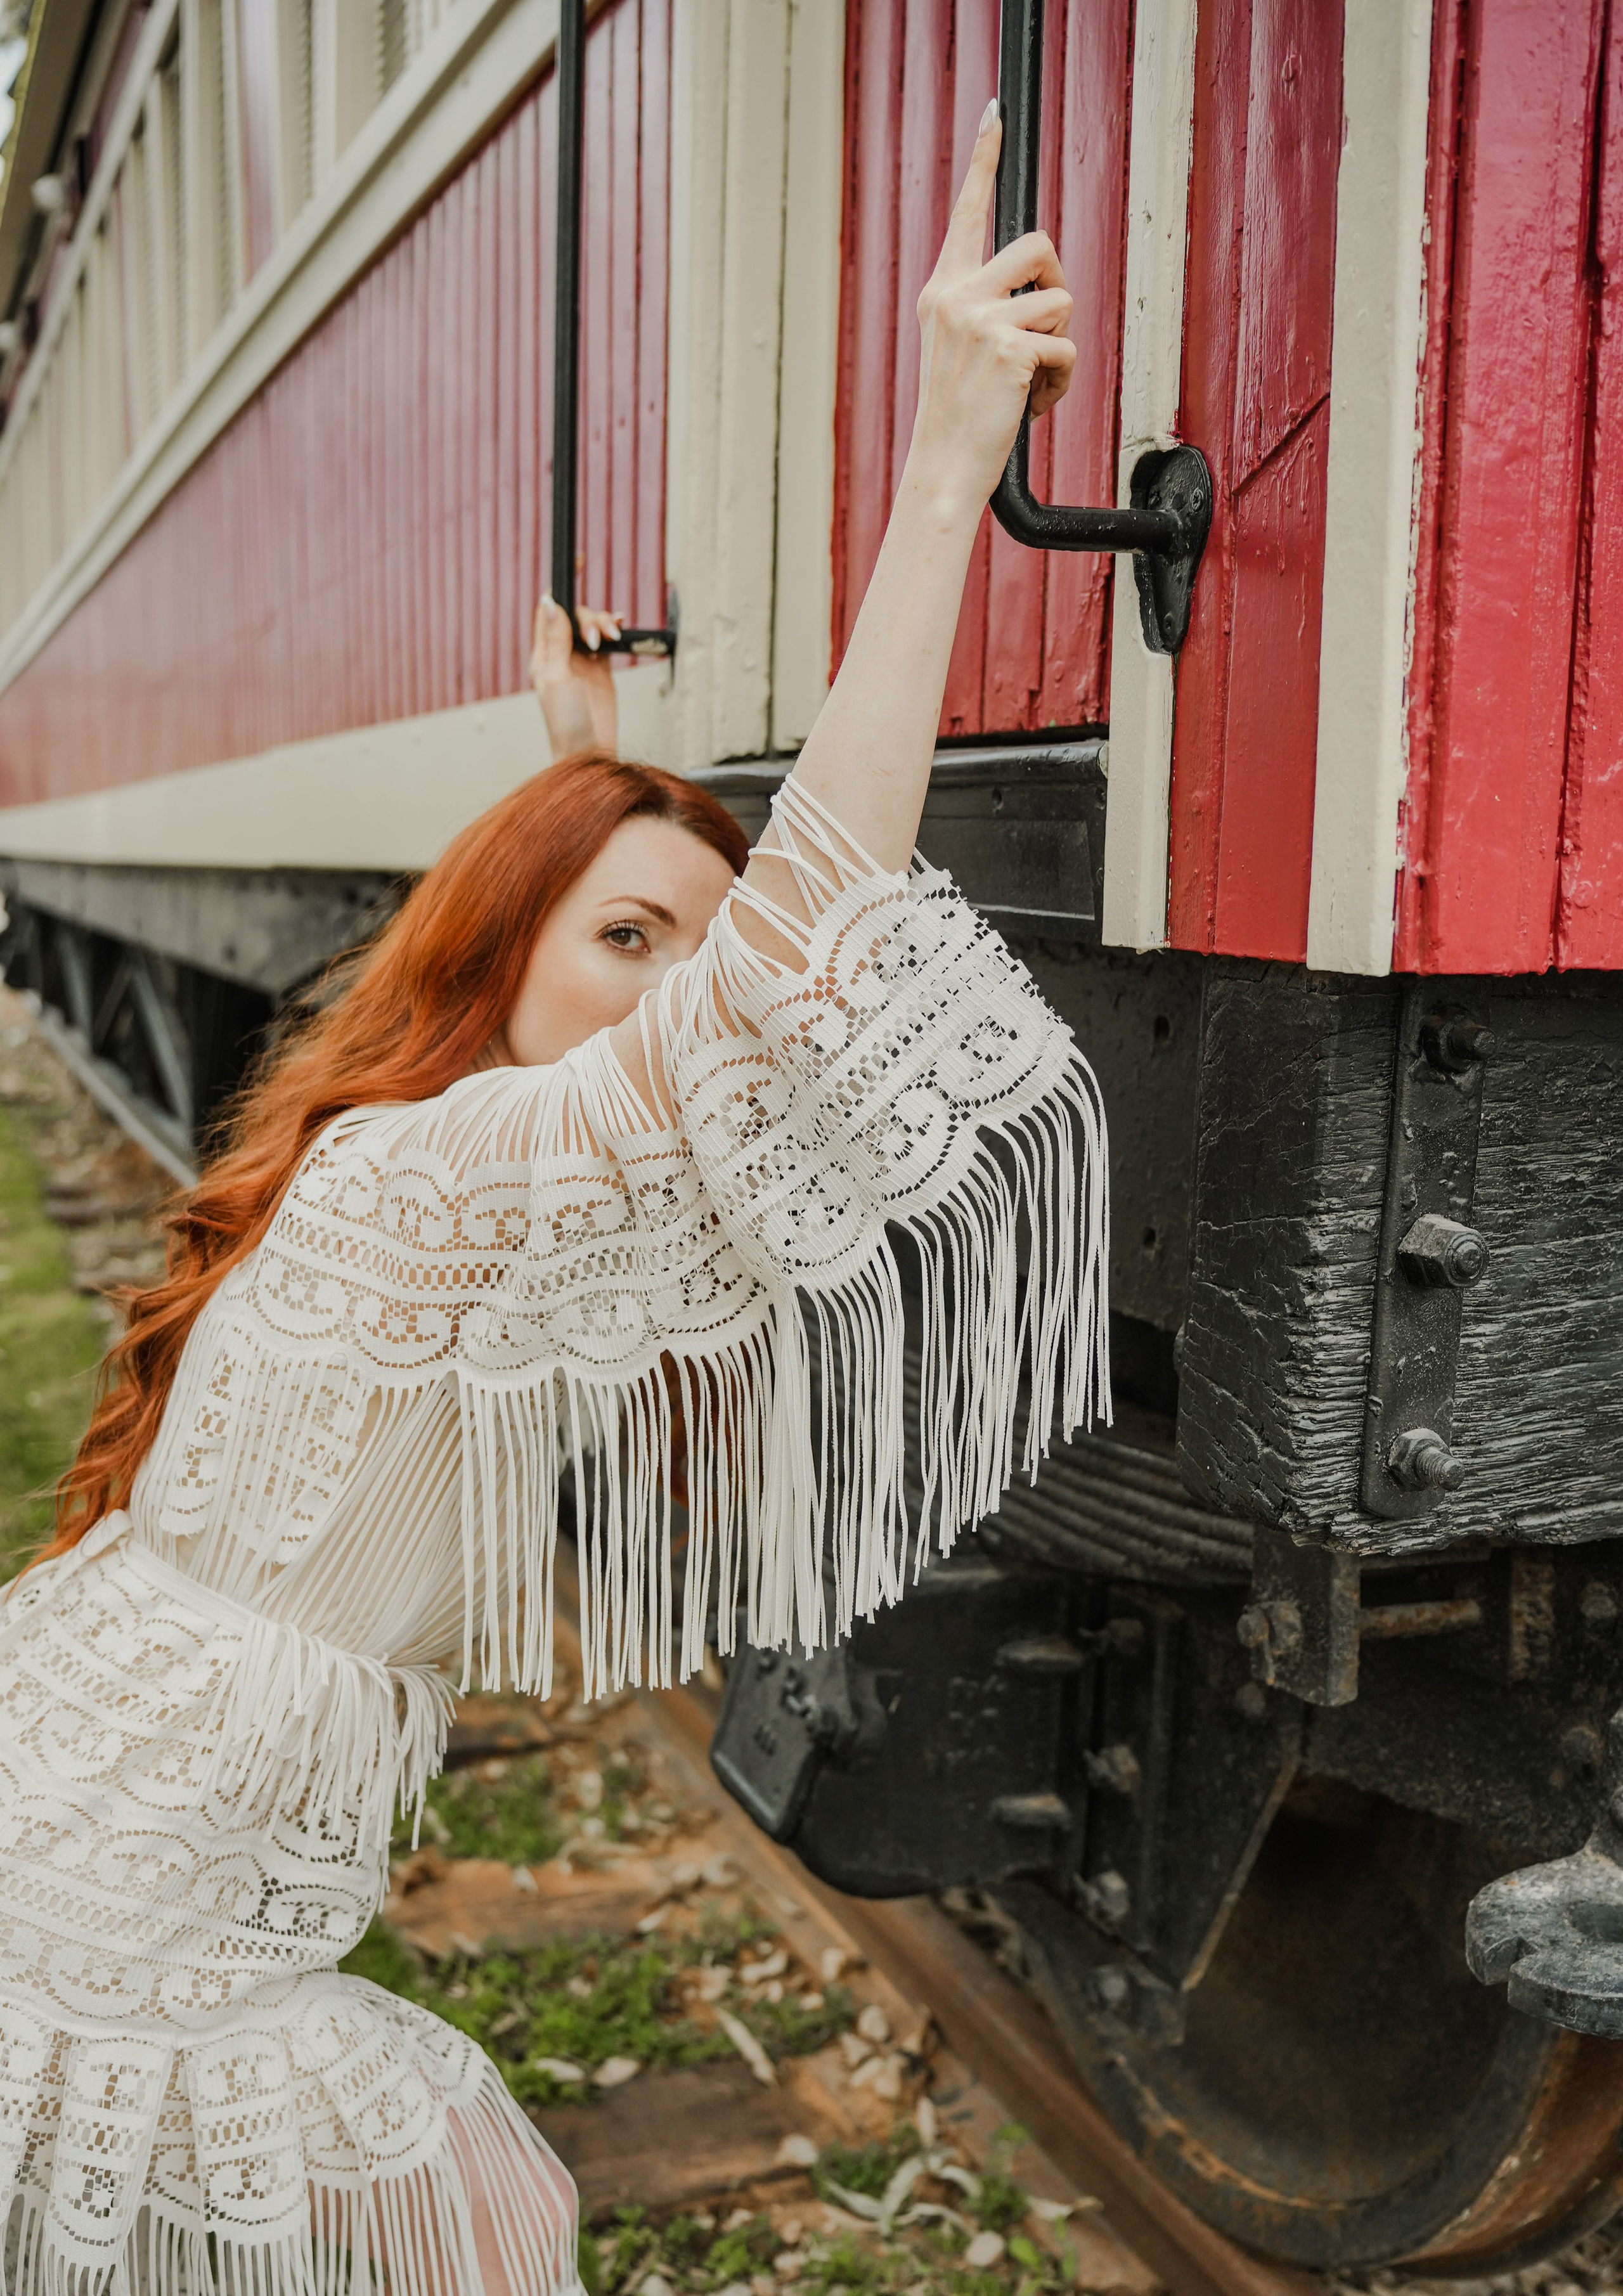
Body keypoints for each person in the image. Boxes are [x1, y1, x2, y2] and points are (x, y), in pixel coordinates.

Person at [0, 111, 1106, 2296]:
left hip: (82, 1821)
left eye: (690, 943)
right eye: (627, 939)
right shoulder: (441, 1178)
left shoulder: (401, 1158)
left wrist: (577, 760)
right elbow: (797, 965)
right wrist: (944, 467)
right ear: (497, 963)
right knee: (455, 2206)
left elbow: (662, 1003)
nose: (682, 998)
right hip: (113, 1920)